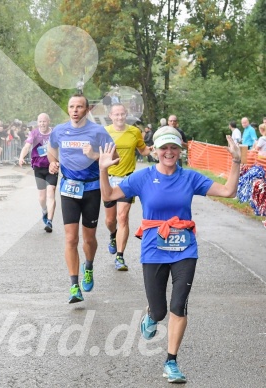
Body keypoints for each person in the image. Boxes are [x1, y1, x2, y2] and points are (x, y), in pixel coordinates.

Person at [98, 126, 241, 384]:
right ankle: (151, 315)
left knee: (178, 305)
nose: (169, 152)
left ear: (180, 150)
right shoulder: (142, 178)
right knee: (161, 310)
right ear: (154, 151)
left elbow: (228, 191)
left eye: (173, 147)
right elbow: (108, 196)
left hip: (185, 249)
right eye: (163, 147)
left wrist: (236, 160)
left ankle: (171, 361)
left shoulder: (190, 178)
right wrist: (103, 169)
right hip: (153, 250)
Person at [47, 94, 115, 303]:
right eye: (72, 106)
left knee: (88, 239)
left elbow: (114, 158)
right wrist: (52, 162)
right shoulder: (59, 130)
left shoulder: (98, 132)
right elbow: (51, 150)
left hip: (92, 189)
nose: (75, 110)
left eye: (79, 107)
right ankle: (74, 285)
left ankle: (89, 265)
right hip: (68, 189)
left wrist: (95, 155)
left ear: (86, 110)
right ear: (68, 109)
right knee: (70, 238)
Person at [104, 104, 152, 271]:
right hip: (108, 180)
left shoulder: (134, 131)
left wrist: (154, 150)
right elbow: (97, 154)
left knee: (122, 216)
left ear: (126, 115)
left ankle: (120, 257)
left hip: (127, 180)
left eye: (122, 114)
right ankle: (112, 235)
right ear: (111, 116)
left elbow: (143, 150)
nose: (120, 117)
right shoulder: (104, 132)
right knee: (110, 220)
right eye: (116, 114)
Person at [18, 113, 58, 232]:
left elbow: (62, 147)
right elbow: (27, 146)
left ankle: (49, 221)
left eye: (44, 121)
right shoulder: (34, 133)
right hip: (38, 167)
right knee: (42, 197)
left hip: (52, 167)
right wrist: (21, 157)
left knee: (51, 193)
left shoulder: (54, 133)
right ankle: (44, 210)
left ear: (49, 121)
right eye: (40, 122)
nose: (42, 124)